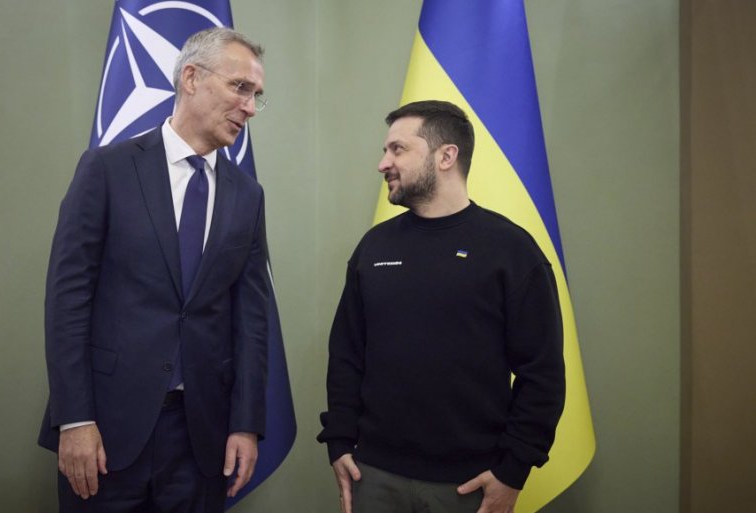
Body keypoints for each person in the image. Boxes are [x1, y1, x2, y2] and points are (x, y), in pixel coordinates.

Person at [38, 27, 271, 513]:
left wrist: (246, 423)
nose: (249, 107)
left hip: (202, 440)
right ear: (191, 78)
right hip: (105, 431)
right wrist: (74, 419)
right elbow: (68, 301)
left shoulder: (247, 195)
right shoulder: (107, 170)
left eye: (256, 95)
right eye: (240, 88)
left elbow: (251, 318)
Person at [317, 100, 566, 513]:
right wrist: (339, 442)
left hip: (469, 484)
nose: (383, 163)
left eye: (398, 149)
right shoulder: (374, 246)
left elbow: (542, 374)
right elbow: (346, 354)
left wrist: (513, 470)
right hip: (372, 474)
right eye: (385, 150)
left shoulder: (511, 251)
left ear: (446, 156)